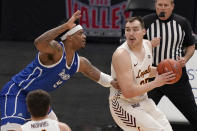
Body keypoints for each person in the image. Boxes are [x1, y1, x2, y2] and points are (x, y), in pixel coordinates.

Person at [0, 10, 118, 131]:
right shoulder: (56, 50)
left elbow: (104, 79)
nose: (84, 36)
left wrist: (120, 84)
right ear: (70, 37)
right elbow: (38, 43)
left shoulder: (80, 62)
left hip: (37, 99)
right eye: (81, 33)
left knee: (58, 129)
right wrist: (66, 26)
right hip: (17, 93)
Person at [109, 16, 176, 131]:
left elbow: (145, 71)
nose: (131, 33)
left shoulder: (148, 45)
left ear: (143, 32)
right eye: (127, 30)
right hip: (123, 105)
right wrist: (156, 83)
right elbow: (128, 92)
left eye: (135, 29)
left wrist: (167, 71)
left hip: (143, 100)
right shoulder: (121, 55)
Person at [143, 0, 197, 130]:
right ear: (155, 5)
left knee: (194, 116)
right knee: (142, 116)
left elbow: (191, 46)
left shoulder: (182, 22)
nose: (162, 8)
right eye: (159, 5)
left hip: (177, 77)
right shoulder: (145, 22)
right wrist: (149, 44)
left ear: (172, 6)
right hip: (153, 75)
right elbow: (133, 46)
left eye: (166, 5)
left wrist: (185, 58)